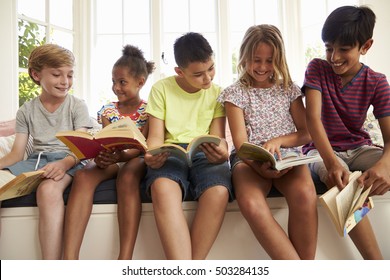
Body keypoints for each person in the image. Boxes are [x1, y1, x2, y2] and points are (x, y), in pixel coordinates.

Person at [218, 24, 318, 260]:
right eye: (256, 60)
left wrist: (279, 141)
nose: (262, 67)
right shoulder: (234, 93)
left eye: (269, 60)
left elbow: (307, 133)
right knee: (251, 203)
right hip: (250, 162)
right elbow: (241, 145)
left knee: (305, 194)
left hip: (288, 160)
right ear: (244, 57)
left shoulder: (288, 90)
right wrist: (258, 165)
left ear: (279, 59)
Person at [303, 5, 390, 259]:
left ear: (365, 46)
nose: (334, 57)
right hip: (321, 151)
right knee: (343, 182)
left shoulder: (377, 81)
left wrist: (385, 164)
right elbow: (313, 119)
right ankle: (377, 265)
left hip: (359, 148)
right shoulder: (317, 69)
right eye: (329, 47)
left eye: (344, 49)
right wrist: (331, 162)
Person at [144, 32, 233, 260]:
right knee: (162, 189)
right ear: (179, 72)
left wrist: (222, 152)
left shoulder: (217, 93)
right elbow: (154, 136)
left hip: (205, 152)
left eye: (211, 69)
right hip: (170, 152)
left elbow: (218, 136)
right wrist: (151, 154)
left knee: (219, 191)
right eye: (198, 74)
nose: (208, 79)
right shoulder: (161, 89)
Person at [63, 45, 155, 260]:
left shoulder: (150, 109)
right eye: (113, 82)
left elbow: (143, 145)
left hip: (136, 159)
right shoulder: (107, 110)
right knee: (84, 174)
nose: (116, 87)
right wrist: (102, 154)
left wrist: (123, 155)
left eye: (122, 82)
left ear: (140, 82)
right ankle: (69, 258)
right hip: (111, 159)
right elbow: (105, 140)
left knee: (129, 174)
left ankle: (124, 259)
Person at [0, 44, 91, 259]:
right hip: (35, 162)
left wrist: (65, 164)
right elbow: (16, 154)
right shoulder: (26, 110)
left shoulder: (77, 106)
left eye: (69, 75)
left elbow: (82, 146)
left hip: (69, 159)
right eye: (57, 74)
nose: (65, 82)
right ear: (36, 74)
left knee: (48, 191)